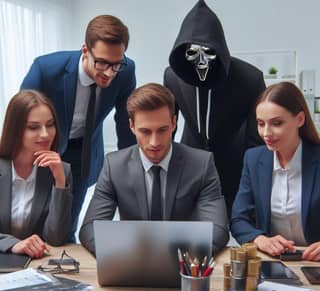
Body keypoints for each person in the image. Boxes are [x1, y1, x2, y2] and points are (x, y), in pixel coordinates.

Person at [21, 15, 136, 241]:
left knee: (65, 228)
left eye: (116, 64)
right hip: (43, 148)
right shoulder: (45, 69)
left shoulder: (126, 70)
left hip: (83, 154)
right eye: (102, 62)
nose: (109, 72)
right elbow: (21, 118)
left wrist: (130, 172)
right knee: (33, 223)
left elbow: (125, 124)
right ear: (85, 50)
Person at [80, 83, 229, 254]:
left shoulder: (201, 164)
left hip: (184, 266)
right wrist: (120, 253)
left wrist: (174, 256)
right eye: (145, 131)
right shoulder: (114, 166)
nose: (154, 142)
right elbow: (89, 229)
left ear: (174, 123)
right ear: (131, 127)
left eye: (162, 130)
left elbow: (218, 230)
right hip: (131, 261)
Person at [164, 0, 265, 215]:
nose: (201, 62)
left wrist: (254, 183)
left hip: (233, 169)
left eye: (208, 53)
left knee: (233, 229)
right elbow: (168, 125)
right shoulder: (172, 75)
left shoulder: (250, 78)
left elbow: (256, 137)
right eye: (193, 53)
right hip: (187, 169)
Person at [231, 82, 320, 261]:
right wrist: (259, 239)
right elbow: (238, 219)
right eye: (261, 124)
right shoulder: (253, 159)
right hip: (273, 262)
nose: (266, 133)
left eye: (276, 123)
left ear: (300, 119)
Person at [0, 90, 73, 258]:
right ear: (15, 130)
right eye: (33, 127)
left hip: (34, 265)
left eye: (50, 124)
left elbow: (55, 238)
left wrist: (60, 182)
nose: (45, 134)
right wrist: (14, 244)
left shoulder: (62, 171)